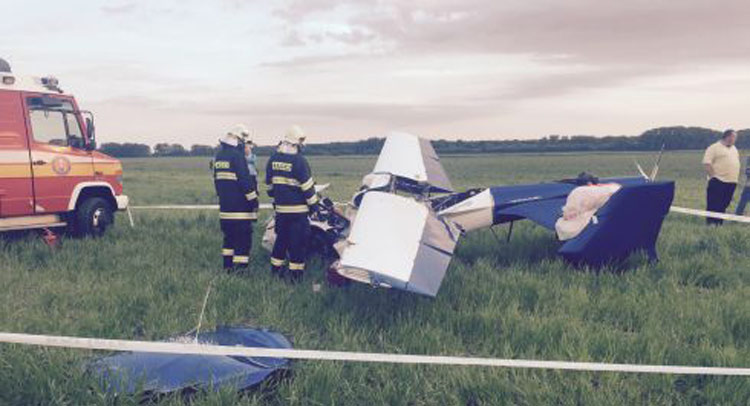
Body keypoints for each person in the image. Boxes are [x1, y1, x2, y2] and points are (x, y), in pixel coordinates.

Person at [265, 125, 320, 283]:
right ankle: (295, 278)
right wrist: (314, 208)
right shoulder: (299, 161)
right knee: (298, 245)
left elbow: (269, 186)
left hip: (281, 212)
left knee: (281, 241)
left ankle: (275, 273)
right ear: (296, 143)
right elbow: (308, 189)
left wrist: (277, 197)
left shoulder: (273, 159)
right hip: (298, 213)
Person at [213, 124, 259, 270]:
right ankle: (240, 272)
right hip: (240, 210)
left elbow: (216, 181)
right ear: (238, 141)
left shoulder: (219, 156)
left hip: (225, 209)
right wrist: (254, 201)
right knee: (242, 242)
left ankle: (227, 268)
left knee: (229, 241)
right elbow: (245, 182)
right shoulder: (237, 157)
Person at [703, 129, 740, 225]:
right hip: (718, 181)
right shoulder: (714, 147)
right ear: (727, 137)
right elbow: (707, 163)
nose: (734, 139)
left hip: (731, 182)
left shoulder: (734, 149)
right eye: (733, 137)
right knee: (714, 203)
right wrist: (713, 177)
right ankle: (711, 223)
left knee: (724, 204)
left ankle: (719, 224)